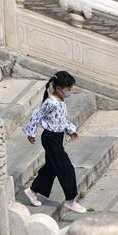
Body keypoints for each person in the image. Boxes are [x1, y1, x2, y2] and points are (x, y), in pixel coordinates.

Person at [23, 71, 87, 214]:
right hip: (50, 138)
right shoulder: (51, 102)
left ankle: (33, 190)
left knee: (51, 167)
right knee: (66, 168)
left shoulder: (61, 102)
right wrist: (31, 132)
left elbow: (61, 120)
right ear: (59, 89)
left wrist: (71, 130)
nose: (69, 92)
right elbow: (37, 114)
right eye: (68, 89)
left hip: (57, 138)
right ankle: (70, 200)